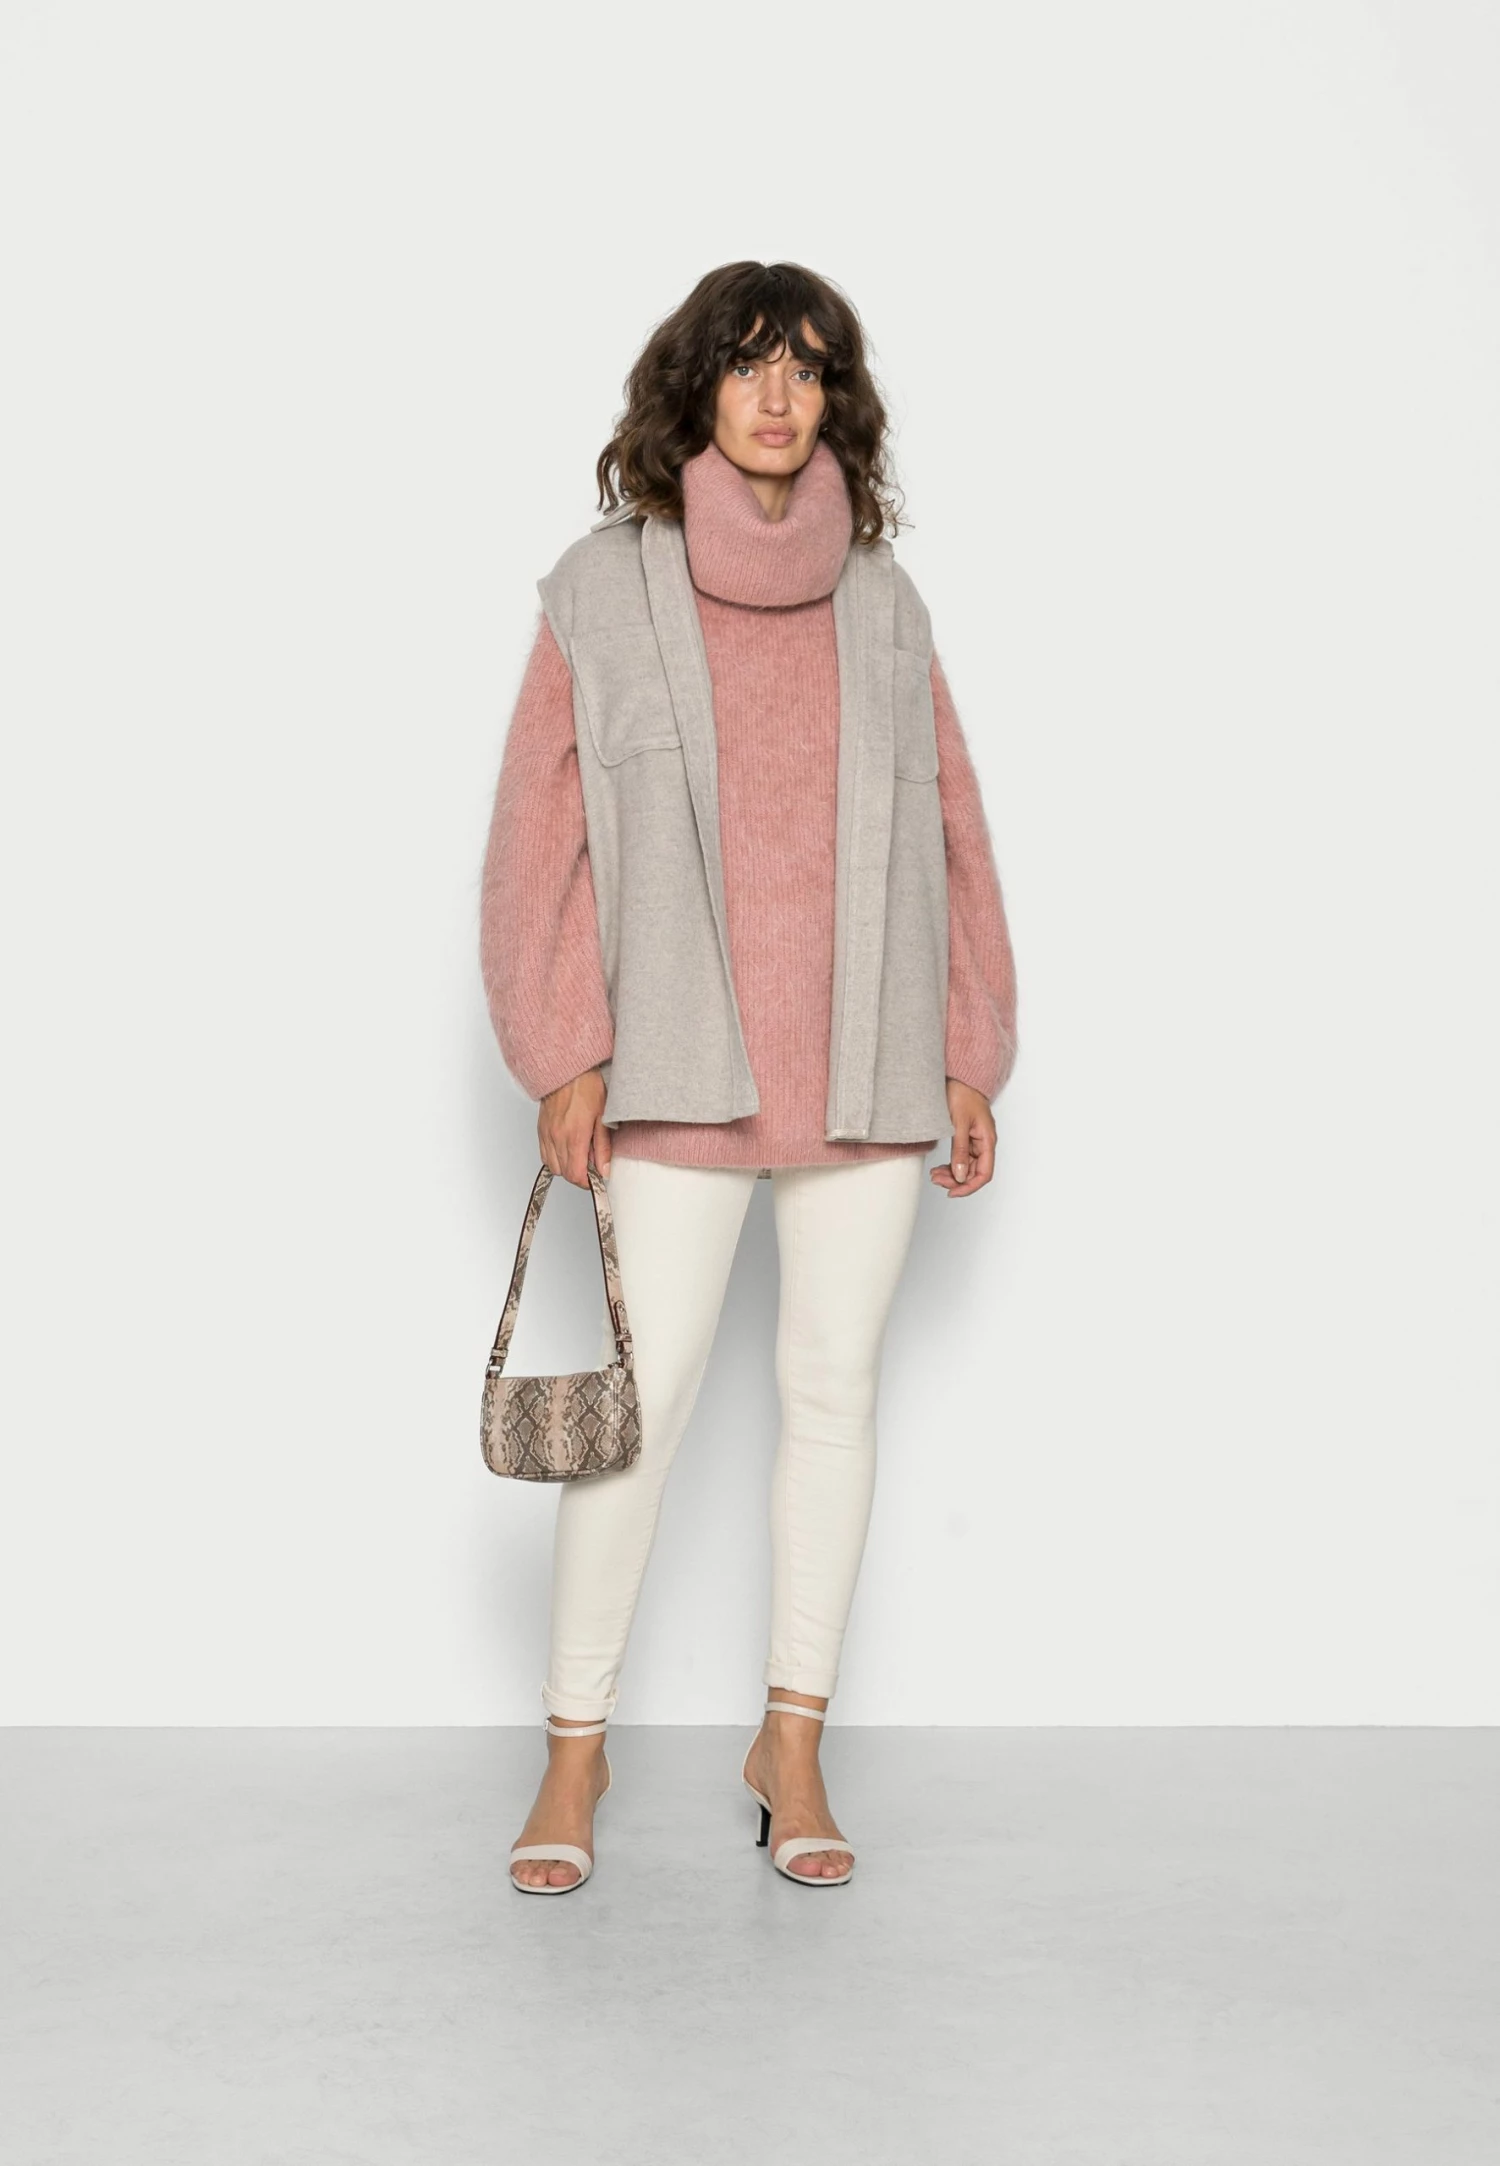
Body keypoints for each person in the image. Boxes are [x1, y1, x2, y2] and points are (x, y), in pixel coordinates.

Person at [479, 260, 1019, 1892]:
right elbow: (535, 839)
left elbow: (954, 826)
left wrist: (969, 1044)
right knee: (637, 1425)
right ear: (697, 388)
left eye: (809, 366)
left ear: (836, 398)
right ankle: (572, 1753)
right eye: (749, 363)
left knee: (834, 1396)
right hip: (674, 1066)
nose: (779, 395)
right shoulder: (602, 589)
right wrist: (564, 1046)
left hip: (868, 1057)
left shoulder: (886, 600)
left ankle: (792, 1740)